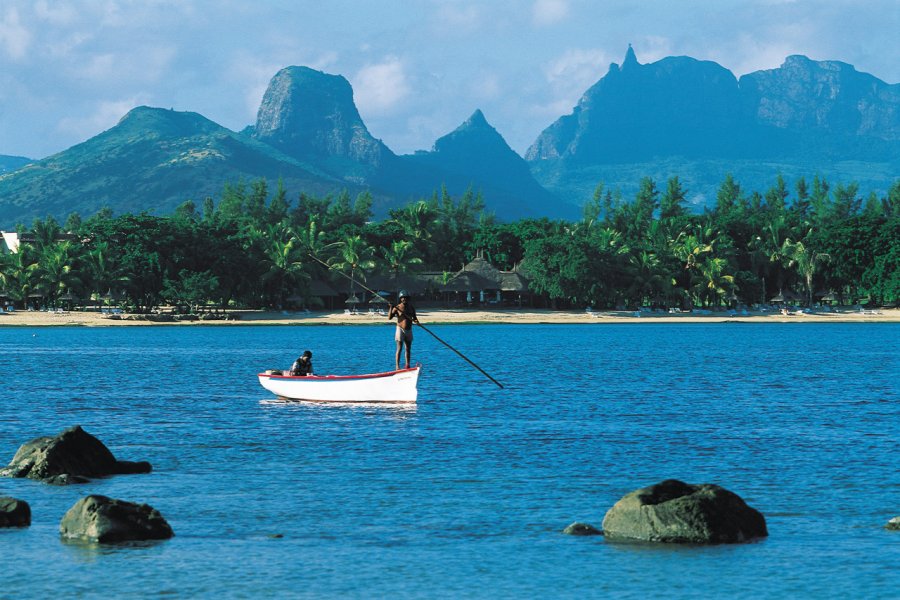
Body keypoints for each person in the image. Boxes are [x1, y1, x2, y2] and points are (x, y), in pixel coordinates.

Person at [388, 290, 418, 370]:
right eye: (403, 298)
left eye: (406, 298)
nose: (404, 299)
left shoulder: (411, 308)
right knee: (399, 348)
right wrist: (391, 307)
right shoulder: (397, 307)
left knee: (408, 348)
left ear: (408, 299)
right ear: (400, 299)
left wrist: (416, 321)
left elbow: (415, 318)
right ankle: (397, 367)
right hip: (400, 329)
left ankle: (407, 365)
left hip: (409, 330)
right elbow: (389, 317)